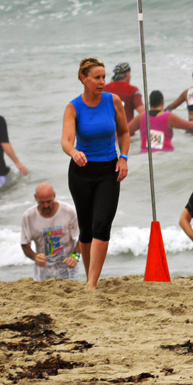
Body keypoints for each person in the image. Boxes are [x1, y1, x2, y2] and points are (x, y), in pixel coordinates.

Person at [62, 58, 130, 291]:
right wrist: (74, 152)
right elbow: (66, 140)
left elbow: (124, 133)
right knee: (86, 228)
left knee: (102, 224)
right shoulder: (74, 107)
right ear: (83, 79)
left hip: (109, 171)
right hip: (81, 172)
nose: (102, 82)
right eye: (97, 77)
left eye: (104, 77)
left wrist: (124, 158)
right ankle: (90, 278)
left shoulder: (114, 101)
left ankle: (92, 283)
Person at [20, 183, 81, 281]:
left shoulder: (68, 211)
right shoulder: (29, 216)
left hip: (68, 268)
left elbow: (83, 237)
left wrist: (75, 256)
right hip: (44, 271)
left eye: (49, 201)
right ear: (35, 198)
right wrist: (35, 257)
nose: (46, 206)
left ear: (54, 196)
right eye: (42, 202)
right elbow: (25, 244)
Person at [128, 90, 193, 153]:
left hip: (145, 154)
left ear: (150, 103)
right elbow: (189, 126)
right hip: (165, 154)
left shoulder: (141, 117)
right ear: (162, 102)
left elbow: (126, 130)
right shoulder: (169, 117)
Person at [102, 62, 145, 132]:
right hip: (126, 133)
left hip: (107, 132)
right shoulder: (133, 90)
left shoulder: (104, 89)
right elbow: (141, 110)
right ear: (127, 75)